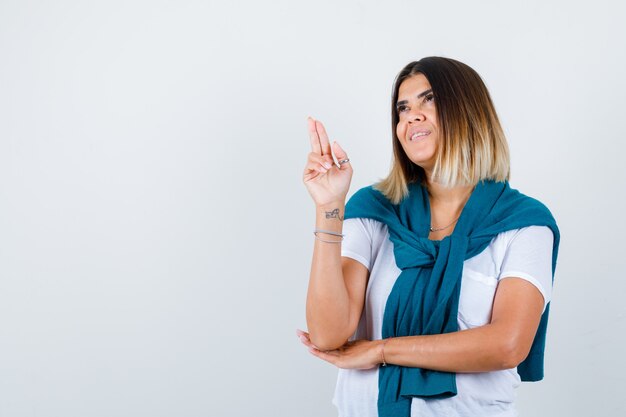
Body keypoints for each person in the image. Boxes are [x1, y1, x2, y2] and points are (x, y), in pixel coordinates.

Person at [297, 56, 560, 417]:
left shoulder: (523, 223)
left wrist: (381, 350)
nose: (411, 116)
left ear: (469, 112)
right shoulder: (376, 210)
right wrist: (328, 207)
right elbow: (329, 335)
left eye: (429, 99)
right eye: (402, 109)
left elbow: (507, 344)